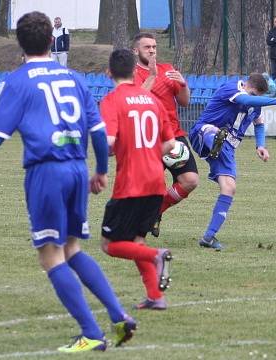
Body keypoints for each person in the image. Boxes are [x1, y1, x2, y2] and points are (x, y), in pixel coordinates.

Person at [0, 11, 135, 353]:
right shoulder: (74, 78)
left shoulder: (16, 81)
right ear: (51, 40)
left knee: (50, 254)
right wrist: (101, 170)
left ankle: (91, 333)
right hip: (76, 168)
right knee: (72, 248)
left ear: (20, 43)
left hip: (46, 172)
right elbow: (99, 132)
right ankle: (118, 316)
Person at [100, 48, 176, 310]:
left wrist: (111, 152)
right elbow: (171, 142)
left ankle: (156, 255)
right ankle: (156, 297)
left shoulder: (111, 101)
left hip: (131, 184)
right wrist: (149, 153)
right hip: (156, 181)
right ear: (135, 70)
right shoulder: (151, 99)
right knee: (136, 241)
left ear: (108, 72)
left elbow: (108, 142)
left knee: (109, 245)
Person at [189, 73, 276, 250]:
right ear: (248, 86)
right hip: (202, 132)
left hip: (226, 148)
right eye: (255, 95)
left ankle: (209, 237)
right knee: (214, 132)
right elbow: (246, 100)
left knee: (229, 188)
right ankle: (214, 142)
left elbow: (259, 124)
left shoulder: (254, 103)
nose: (257, 100)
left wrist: (260, 145)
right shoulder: (232, 89)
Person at [132, 32, 199, 238]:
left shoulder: (168, 70)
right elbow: (134, 99)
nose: (152, 50)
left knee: (190, 180)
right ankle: (136, 225)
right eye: (147, 47)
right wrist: (151, 77)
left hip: (174, 134)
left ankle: (157, 211)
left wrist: (184, 84)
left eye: (153, 47)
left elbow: (185, 102)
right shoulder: (131, 73)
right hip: (148, 139)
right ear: (136, 51)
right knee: (148, 189)